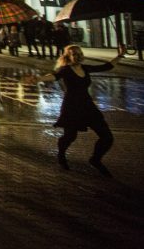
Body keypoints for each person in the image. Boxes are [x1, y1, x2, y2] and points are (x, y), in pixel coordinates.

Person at [23, 45, 124, 176]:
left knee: (107, 137)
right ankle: (61, 154)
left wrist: (120, 55)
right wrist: (38, 79)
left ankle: (95, 159)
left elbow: (107, 66)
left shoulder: (85, 68)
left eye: (78, 53)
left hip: (88, 106)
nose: (77, 56)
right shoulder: (65, 70)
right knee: (70, 136)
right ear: (68, 57)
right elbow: (54, 76)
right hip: (72, 107)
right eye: (73, 54)